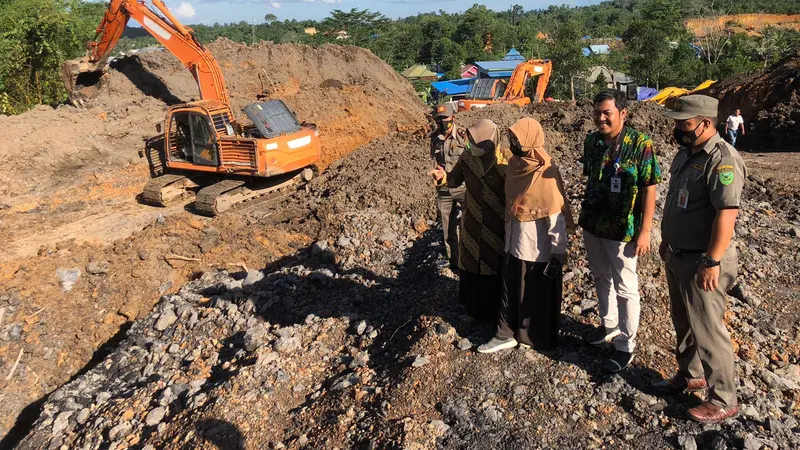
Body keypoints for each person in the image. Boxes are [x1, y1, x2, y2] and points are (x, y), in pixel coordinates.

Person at [656, 95, 747, 424]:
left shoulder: (722, 160)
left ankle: (723, 398)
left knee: (708, 330)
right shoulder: (687, 153)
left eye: (684, 123)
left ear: (705, 123)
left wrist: (712, 261)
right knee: (684, 321)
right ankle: (692, 374)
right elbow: (677, 204)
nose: (678, 128)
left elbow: (726, 214)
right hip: (679, 255)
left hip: (703, 261)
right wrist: (667, 240)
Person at [580, 90, 662, 372]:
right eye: (597, 113)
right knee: (601, 277)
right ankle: (608, 324)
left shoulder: (640, 144)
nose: (600, 118)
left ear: (623, 114)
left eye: (607, 113)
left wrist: (645, 230)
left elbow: (650, 187)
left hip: (623, 229)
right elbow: (590, 179)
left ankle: (626, 345)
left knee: (626, 287)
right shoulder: (591, 142)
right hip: (593, 222)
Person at [477, 118, 575, 354]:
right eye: (511, 139)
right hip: (513, 241)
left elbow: (555, 216)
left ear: (530, 141)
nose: (513, 144)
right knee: (511, 290)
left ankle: (534, 338)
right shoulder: (516, 165)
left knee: (534, 294)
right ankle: (506, 334)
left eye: (517, 140)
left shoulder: (544, 173)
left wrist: (558, 251)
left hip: (537, 248)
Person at [429, 119, 508, 323]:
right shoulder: (467, 158)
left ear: (488, 141)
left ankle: (493, 312)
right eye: (469, 140)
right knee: (472, 261)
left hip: (496, 223)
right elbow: (455, 179)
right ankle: (473, 307)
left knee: (493, 263)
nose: (469, 144)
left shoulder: (505, 162)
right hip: (472, 220)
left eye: (474, 141)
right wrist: (443, 177)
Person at [430, 104, 466, 271]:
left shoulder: (463, 136)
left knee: (470, 225)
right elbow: (434, 160)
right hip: (444, 188)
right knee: (448, 229)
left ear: (453, 118)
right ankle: (454, 263)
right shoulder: (434, 138)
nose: (442, 121)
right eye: (439, 118)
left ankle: (470, 260)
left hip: (463, 187)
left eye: (445, 118)